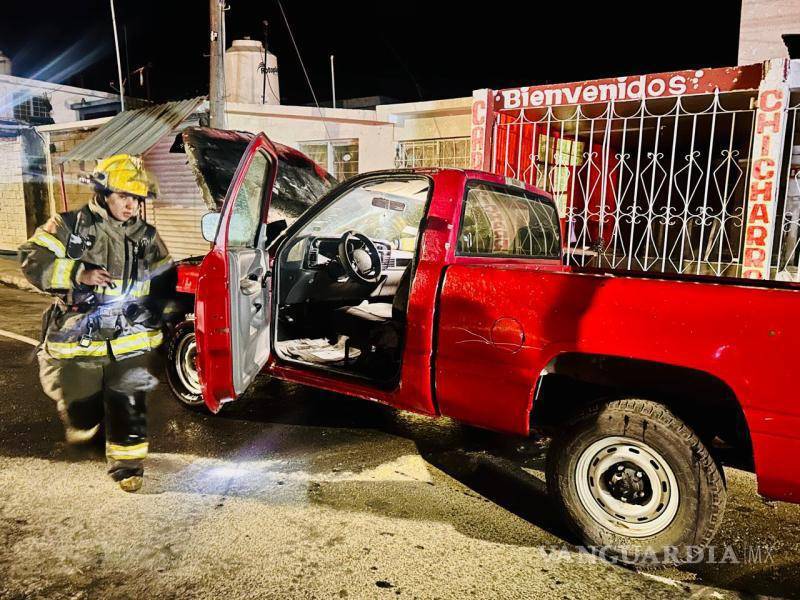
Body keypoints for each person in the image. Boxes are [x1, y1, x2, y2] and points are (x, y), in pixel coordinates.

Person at [19, 154, 174, 492]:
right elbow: (32, 259)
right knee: (82, 411)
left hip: (128, 337)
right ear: (103, 193)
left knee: (129, 400)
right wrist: (79, 274)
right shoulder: (68, 225)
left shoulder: (146, 235)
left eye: (136, 198)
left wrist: (155, 312)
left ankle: (128, 467)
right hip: (79, 335)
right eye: (123, 196)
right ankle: (90, 423)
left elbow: (165, 276)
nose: (131, 205)